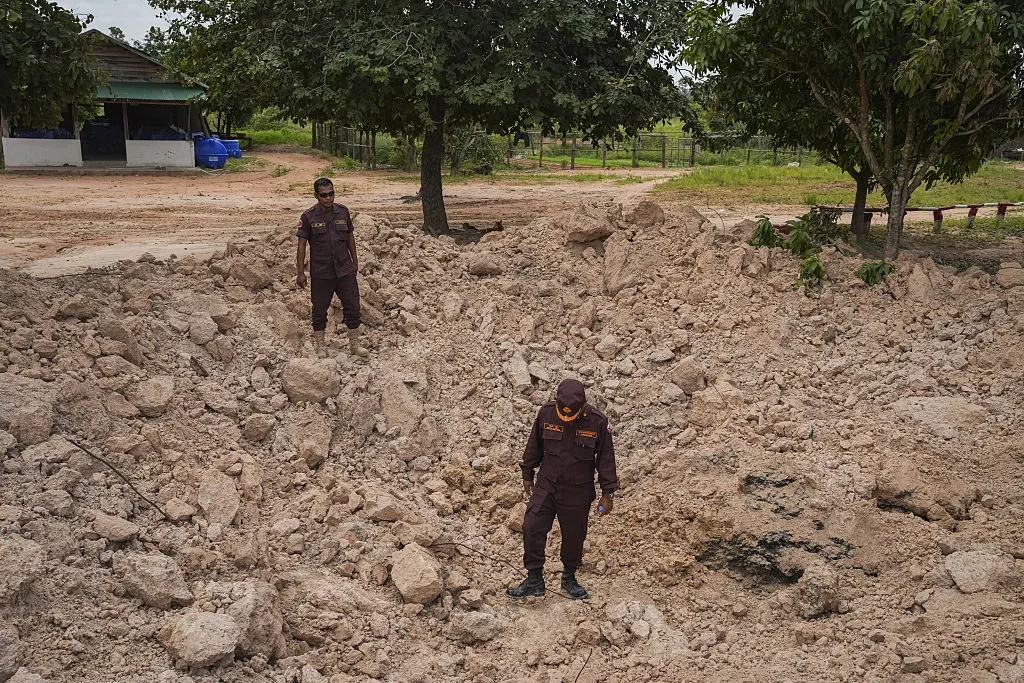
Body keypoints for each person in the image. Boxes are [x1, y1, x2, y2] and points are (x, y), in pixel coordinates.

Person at [507, 378, 618, 600]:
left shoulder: (597, 422)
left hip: (577, 491)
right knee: (531, 526)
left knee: (574, 536)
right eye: (562, 413)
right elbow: (533, 446)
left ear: (582, 405)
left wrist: (608, 494)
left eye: (572, 415)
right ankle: (534, 578)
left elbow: (606, 460)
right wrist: (527, 474)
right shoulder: (547, 414)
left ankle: (569, 577)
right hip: (546, 485)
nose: (566, 418)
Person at [295, 178, 368, 358]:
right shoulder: (308, 217)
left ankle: (354, 346)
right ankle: (320, 345)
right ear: (316, 196)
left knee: (353, 306)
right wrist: (300, 273)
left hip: (344, 269)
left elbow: (350, 237)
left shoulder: (343, 212)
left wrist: (355, 260)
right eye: (324, 195)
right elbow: (302, 245)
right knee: (319, 310)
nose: (329, 198)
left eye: (331, 194)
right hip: (322, 272)